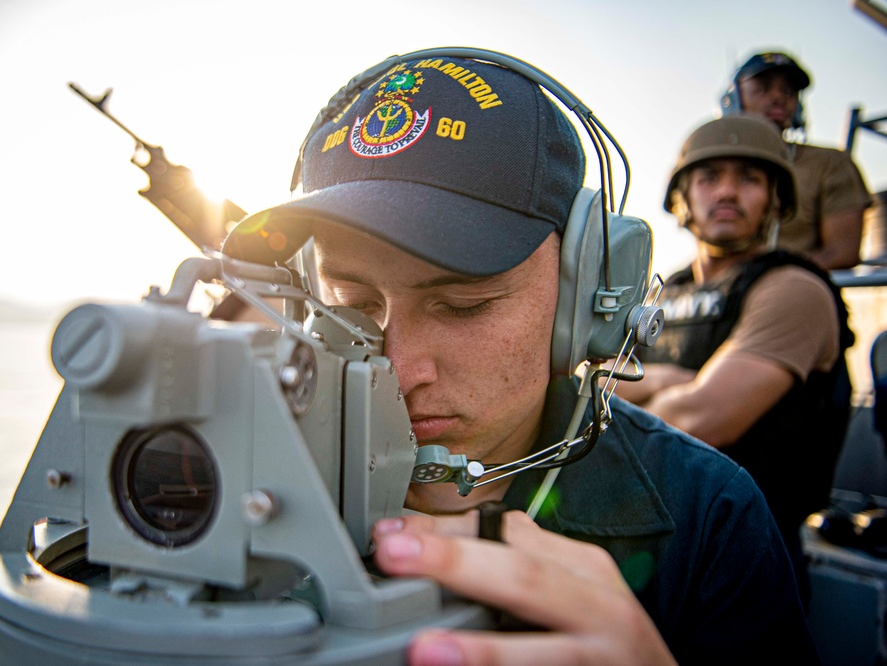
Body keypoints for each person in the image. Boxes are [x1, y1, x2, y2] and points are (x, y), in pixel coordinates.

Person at [223, 51, 819, 663]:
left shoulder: (710, 514)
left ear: (583, 298)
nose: (399, 368)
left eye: (463, 305)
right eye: (352, 303)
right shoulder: (210, 470)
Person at [614, 113, 854, 602]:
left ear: (775, 200)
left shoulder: (794, 288)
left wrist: (638, 389)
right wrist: (666, 377)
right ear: (684, 198)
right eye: (709, 177)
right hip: (641, 539)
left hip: (743, 561)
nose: (726, 192)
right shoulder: (663, 292)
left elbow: (697, 419)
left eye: (748, 178)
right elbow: (592, 386)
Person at [720, 50, 872, 270]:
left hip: (798, 294)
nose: (778, 98)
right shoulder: (713, 161)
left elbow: (843, 252)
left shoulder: (830, 163)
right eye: (762, 88)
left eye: (788, 91)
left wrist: (764, 277)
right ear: (733, 98)